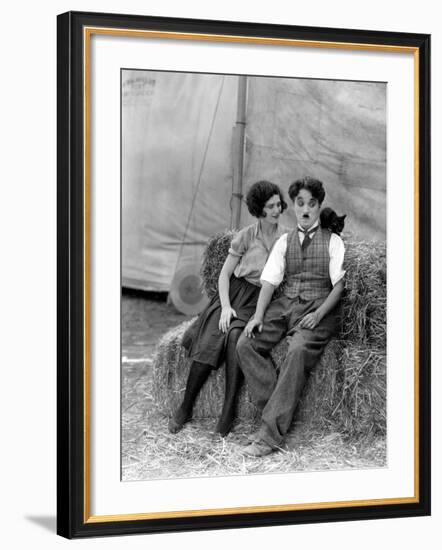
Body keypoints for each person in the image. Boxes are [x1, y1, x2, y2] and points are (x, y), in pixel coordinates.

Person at [168, 180, 289, 437]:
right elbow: (224, 275)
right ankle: (186, 406)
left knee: (236, 336)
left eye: (279, 204)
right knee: (212, 336)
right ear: (259, 209)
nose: (277, 210)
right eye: (271, 206)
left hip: (261, 298)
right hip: (235, 292)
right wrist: (224, 307)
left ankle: (228, 410)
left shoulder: (286, 239)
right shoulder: (245, 236)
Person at [236, 176, 346, 457]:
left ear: (319, 205)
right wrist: (257, 316)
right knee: (245, 344)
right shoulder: (284, 242)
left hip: (320, 307)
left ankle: (269, 436)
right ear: (294, 207)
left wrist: (319, 315)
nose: (306, 209)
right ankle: (275, 411)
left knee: (296, 351)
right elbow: (270, 282)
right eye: (300, 203)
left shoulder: (333, 241)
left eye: (311, 203)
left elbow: (340, 286)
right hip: (286, 305)